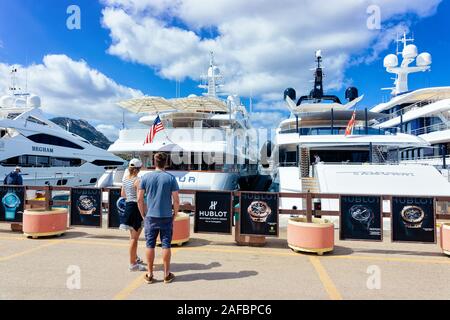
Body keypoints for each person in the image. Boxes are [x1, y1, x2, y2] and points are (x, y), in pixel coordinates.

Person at [138, 152, 180, 284]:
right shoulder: (171, 178)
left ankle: (150, 274)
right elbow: (176, 200)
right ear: (166, 163)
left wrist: (142, 214)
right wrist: (175, 213)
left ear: (153, 162)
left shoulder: (145, 177)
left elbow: (139, 199)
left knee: (149, 244)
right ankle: (167, 274)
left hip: (150, 216)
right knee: (166, 244)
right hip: (166, 216)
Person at [121, 159, 146, 272]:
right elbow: (140, 199)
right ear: (139, 169)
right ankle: (133, 264)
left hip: (128, 206)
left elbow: (122, 194)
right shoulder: (138, 180)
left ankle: (134, 257)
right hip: (135, 208)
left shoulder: (126, 179)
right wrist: (143, 214)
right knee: (134, 239)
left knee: (132, 237)